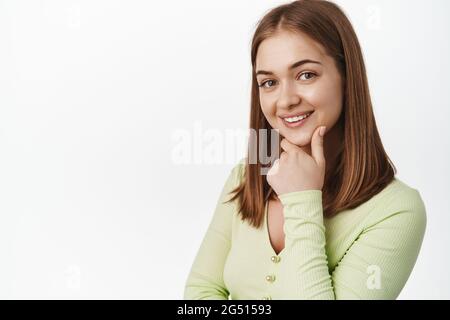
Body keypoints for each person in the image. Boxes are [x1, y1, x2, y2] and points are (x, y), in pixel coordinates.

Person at [184, 0, 426, 300]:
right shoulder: (244, 177)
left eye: (306, 75)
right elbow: (198, 295)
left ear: (347, 76)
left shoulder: (396, 210)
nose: (285, 100)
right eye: (269, 82)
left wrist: (301, 198)